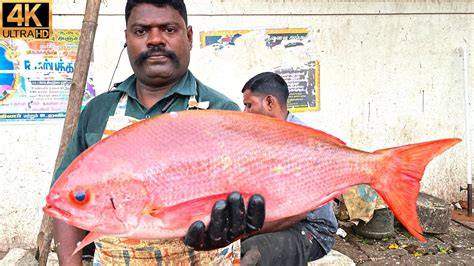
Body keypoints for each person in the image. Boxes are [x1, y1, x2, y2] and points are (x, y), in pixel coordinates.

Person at [51, 0, 264, 265]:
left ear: (188, 37)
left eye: (168, 29)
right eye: (141, 31)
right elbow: (64, 205)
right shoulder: (98, 112)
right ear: (127, 39)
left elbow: (248, 198)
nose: (154, 40)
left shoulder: (221, 113)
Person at [239, 72, 338, 265]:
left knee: (251, 253)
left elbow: (296, 213)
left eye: (249, 105)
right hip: (283, 219)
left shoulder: (300, 144)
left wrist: (244, 232)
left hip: (312, 230)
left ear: (269, 102)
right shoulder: (269, 137)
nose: (244, 113)